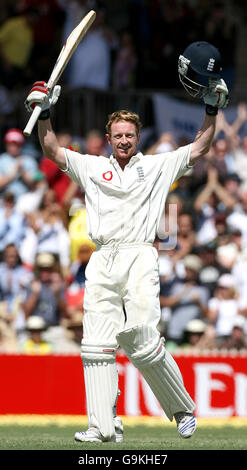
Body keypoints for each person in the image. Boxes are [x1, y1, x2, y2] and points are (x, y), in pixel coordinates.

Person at [24, 65, 229, 442]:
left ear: (137, 137)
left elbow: (199, 146)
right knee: (95, 345)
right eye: (117, 135)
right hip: (101, 259)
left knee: (142, 337)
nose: (123, 141)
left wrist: (212, 110)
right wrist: (46, 114)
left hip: (139, 255)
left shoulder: (154, 166)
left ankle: (182, 408)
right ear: (107, 137)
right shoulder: (92, 166)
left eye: (129, 135)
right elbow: (51, 148)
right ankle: (102, 427)